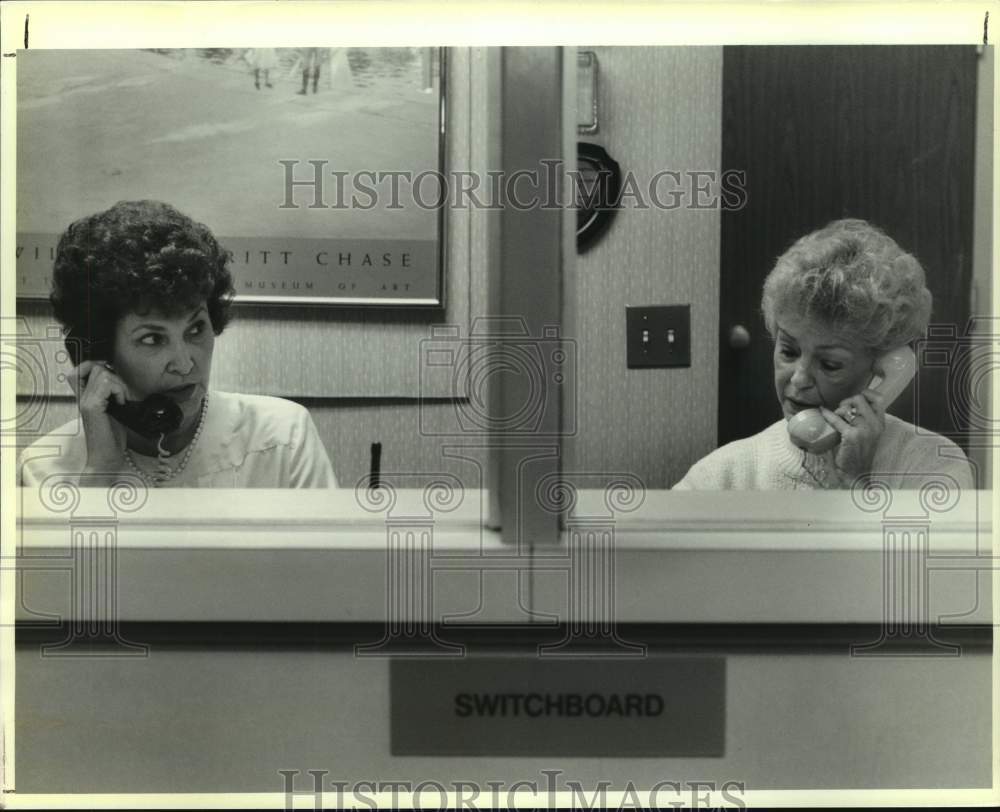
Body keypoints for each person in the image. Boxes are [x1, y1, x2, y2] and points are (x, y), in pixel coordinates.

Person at [19, 200, 338, 489]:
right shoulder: (44, 469)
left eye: (196, 329)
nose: (185, 364)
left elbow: (329, 556)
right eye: (152, 339)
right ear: (102, 353)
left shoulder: (282, 437)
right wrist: (101, 470)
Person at [674, 219, 974, 490]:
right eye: (789, 351)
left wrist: (854, 483)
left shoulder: (933, 466)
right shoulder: (723, 474)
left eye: (829, 364)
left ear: (882, 368)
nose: (799, 378)